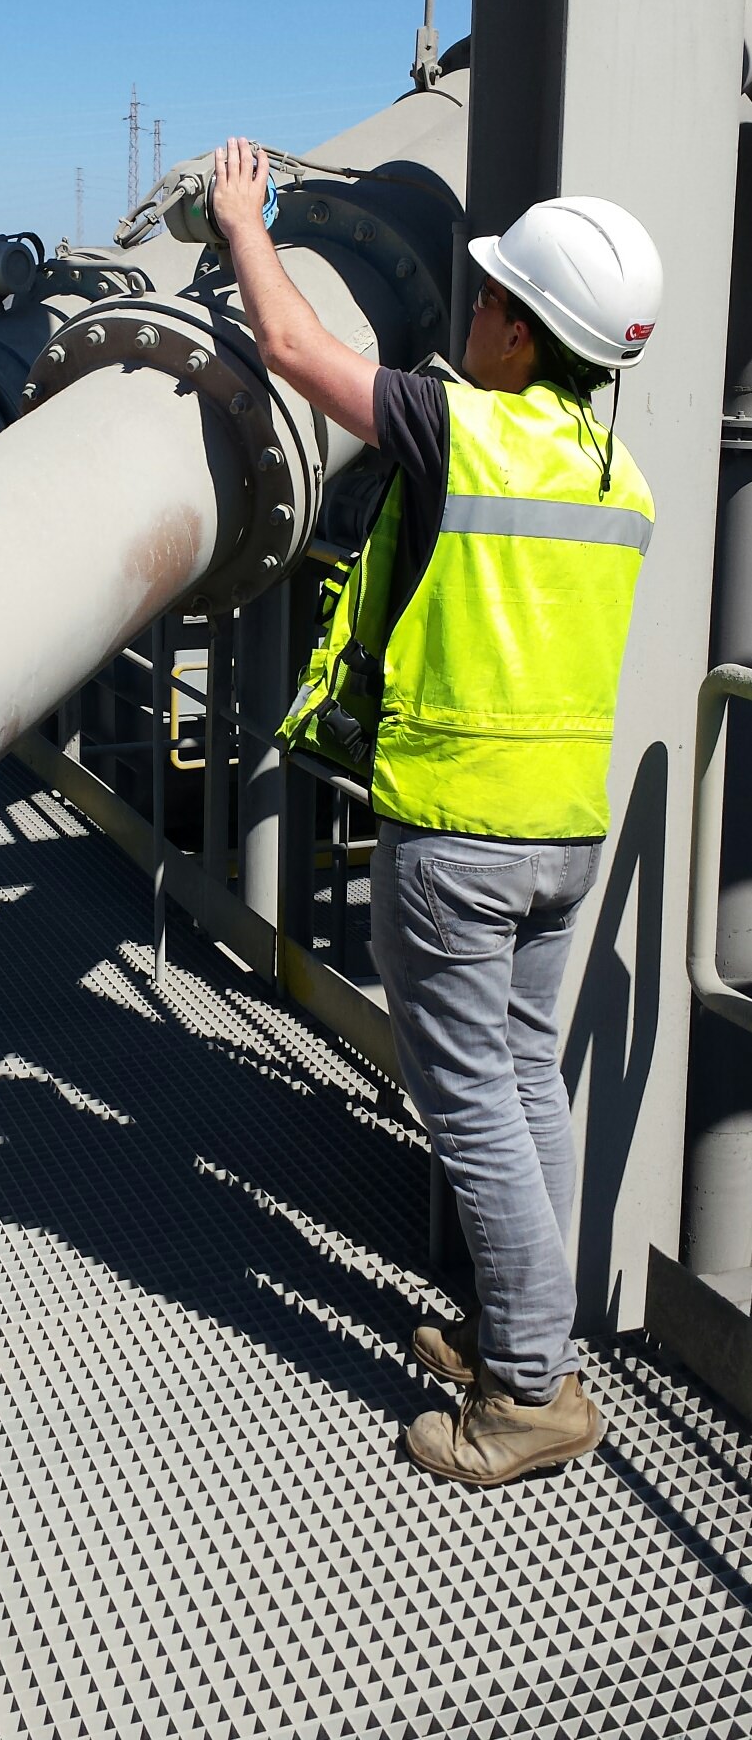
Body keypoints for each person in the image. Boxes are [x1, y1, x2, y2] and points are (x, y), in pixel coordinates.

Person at [210, 138, 660, 1487]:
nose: (469, 318)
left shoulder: (464, 429)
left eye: (488, 302)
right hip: (561, 837)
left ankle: (527, 1395)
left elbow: (293, 346)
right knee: (525, 1085)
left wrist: (244, 222)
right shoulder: (617, 478)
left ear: (521, 334)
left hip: (458, 834)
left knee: (472, 1109)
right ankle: (523, 1338)